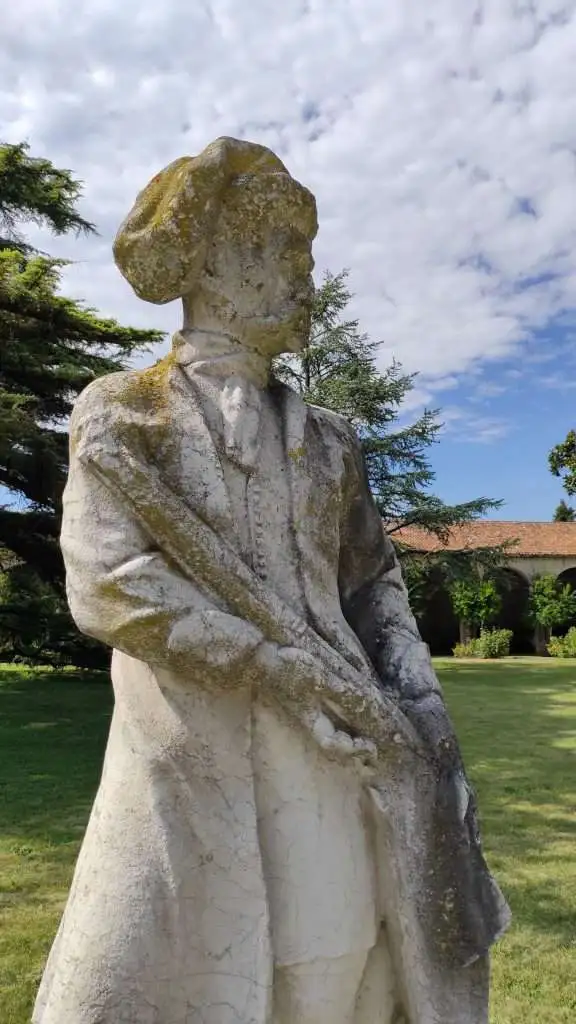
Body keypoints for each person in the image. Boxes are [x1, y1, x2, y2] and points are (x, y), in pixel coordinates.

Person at [33, 137, 508, 1024]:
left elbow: (375, 588)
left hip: (347, 769)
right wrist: (267, 662)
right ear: (209, 260)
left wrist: (416, 701)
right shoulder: (123, 417)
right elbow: (109, 583)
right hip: (199, 766)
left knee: (353, 968)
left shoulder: (332, 441)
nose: (305, 275)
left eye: (308, 253)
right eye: (282, 249)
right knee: (202, 977)